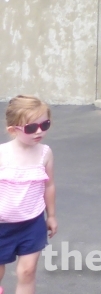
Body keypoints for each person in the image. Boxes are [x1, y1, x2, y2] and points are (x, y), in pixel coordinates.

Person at [0, 97, 56, 294]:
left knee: (27, 272)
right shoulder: (1, 154)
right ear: (13, 130)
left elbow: (49, 185)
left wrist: (51, 216)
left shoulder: (45, 153)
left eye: (45, 124)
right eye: (31, 128)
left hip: (32, 224)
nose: (39, 131)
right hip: (1, 225)